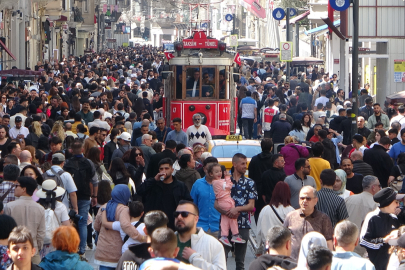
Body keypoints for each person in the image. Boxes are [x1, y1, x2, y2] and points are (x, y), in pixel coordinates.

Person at [94, 184, 146, 270]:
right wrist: (140, 237)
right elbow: (126, 225)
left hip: (102, 252)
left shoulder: (103, 207)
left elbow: (96, 226)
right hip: (116, 253)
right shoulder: (124, 209)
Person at [63, 140, 98, 259]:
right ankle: (82, 249)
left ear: (71, 150)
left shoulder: (67, 163)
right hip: (84, 195)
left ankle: (70, 246)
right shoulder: (88, 163)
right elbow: (94, 180)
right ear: (82, 150)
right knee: (83, 222)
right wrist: (94, 196)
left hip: (70, 196)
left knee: (68, 222)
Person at [137, 158, 193, 230]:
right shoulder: (154, 184)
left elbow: (188, 201)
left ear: (172, 170)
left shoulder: (180, 186)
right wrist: (154, 180)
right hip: (156, 222)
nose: (164, 171)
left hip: (173, 222)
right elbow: (140, 191)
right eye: (161, 169)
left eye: (166, 168)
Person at [283, 186, 333, 260]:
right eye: (302, 198)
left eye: (308, 198)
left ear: (316, 200)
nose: (304, 201)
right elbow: (283, 239)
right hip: (293, 262)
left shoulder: (323, 218)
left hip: (315, 263)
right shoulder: (290, 216)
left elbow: (329, 242)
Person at [174, 200, 226, 269]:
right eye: (176, 214)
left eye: (184, 214)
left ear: (196, 219)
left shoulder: (213, 244)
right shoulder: (165, 242)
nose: (179, 217)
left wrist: (194, 258)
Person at [4, 177, 45, 264]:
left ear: (24, 189)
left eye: (16, 186)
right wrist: (37, 248)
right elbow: (41, 233)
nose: (14, 188)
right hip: (33, 250)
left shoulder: (9, 206)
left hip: (14, 250)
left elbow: (6, 231)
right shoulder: (40, 208)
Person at [360, 187, 403, 270]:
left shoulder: (394, 218)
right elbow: (363, 241)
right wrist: (383, 240)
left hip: (391, 265)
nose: (398, 205)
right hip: (374, 264)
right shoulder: (372, 217)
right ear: (388, 202)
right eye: (396, 202)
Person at [208, 163, 243, 246]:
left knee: (225, 218)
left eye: (220, 171)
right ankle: (235, 234)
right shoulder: (217, 182)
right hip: (226, 202)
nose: (219, 173)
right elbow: (228, 186)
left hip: (223, 202)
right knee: (232, 218)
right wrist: (227, 177)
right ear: (211, 174)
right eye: (216, 172)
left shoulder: (217, 181)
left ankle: (224, 235)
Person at [345, 175, 380, 256]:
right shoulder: (376, 204)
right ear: (374, 187)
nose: (380, 188)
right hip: (365, 248)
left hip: (347, 243)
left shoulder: (348, 199)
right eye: (379, 186)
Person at [256, 182, 295, 255]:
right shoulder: (291, 211)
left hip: (269, 250)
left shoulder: (265, 209)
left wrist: (258, 249)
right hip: (285, 251)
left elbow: (259, 231)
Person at [190, 157, 221, 238]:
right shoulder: (198, 184)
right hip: (200, 226)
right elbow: (193, 205)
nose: (211, 172)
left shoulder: (223, 185)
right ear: (204, 169)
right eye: (208, 169)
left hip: (218, 227)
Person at [248, 138, 273, 222]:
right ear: (271, 148)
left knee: (258, 212)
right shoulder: (273, 159)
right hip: (271, 189)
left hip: (257, 188)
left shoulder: (255, 159)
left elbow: (250, 175)